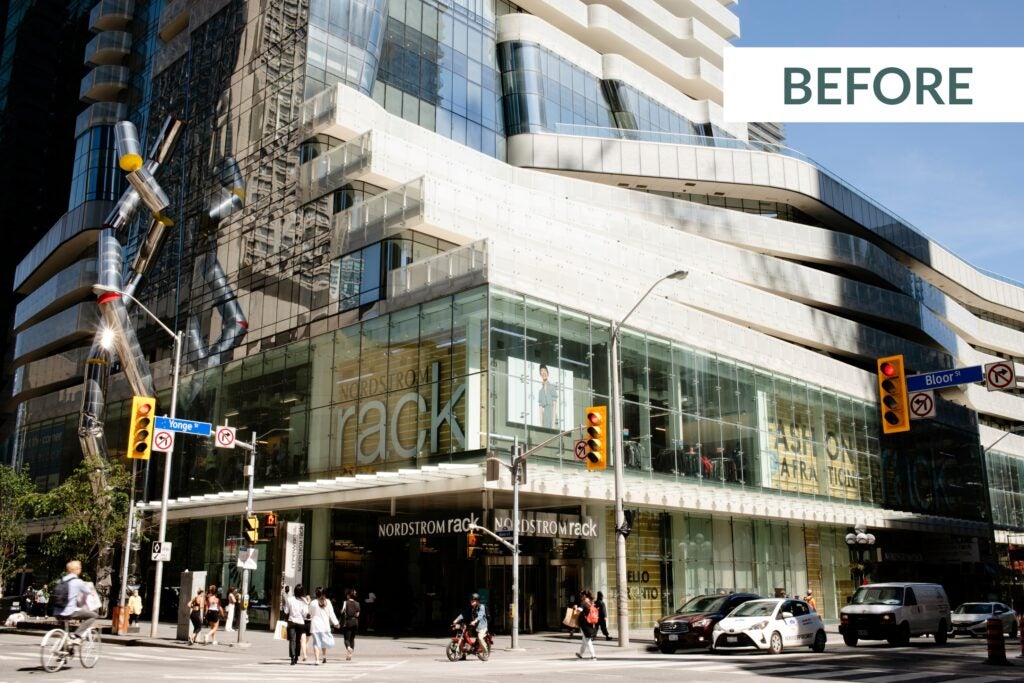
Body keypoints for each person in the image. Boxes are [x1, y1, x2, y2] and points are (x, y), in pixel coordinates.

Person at [55, 561, 98, 637]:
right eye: (80, 568)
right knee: (93, 615)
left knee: (65, 634)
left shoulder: (61, 580)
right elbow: (89, 592)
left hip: (57, 611)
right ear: (76, 570)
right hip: (69, 611)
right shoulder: (78, 581)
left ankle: (65, 644)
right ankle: (77, 635)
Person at [308, 587, 339, 665]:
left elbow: (309, 613)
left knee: (316, 643)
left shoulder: (313, 602)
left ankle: (317, 660)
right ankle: (324, 656)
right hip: (325, 626)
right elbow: (332, 613)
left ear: (316, 594)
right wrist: (336, 623)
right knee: (323, 642)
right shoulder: (327, 602)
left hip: (315, 626)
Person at [453, 593, 489, 657]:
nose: (472, 601)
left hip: (482, 627)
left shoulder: (481, 607)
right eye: (471, 600)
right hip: (473, 626)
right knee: (463, 636)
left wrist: (475, 621)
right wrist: (456, 619)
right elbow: (464, 614)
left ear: (477, 601)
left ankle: (485, 652)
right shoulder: (471, 608)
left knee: (480, 638)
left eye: (473, 600)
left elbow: (480, 615)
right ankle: (463, 655)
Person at [283, 584, 309, 665]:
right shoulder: (304, 601)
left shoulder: (290, 599)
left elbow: (286, 611)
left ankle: (292, 657)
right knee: (298, 640)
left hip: (291, 622)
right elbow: (305, 614)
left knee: (292, 640)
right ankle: (297, 657)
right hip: (300, 623)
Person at [575, 589, 597, 660]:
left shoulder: (584, 602)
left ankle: (593, 655)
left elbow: (579, 610)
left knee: (587, 639)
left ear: (584, 595)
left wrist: (575, 608)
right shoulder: (591, 602)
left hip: (584, 623)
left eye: (581, 595)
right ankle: (580, 654)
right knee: (584, 639)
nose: (581, 597)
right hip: (590, 622)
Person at [339, 588, 361, 661]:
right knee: (352, 638)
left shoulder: (345, 603)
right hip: (355, 622)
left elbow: (342, 612)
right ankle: (350, 655)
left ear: (348, 595)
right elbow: (357, 614)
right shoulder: (357, 603)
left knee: (346, 639)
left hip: (348, 622)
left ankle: (348, 648)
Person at [537, 364, 558, 429]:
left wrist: (553, 424)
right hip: (545, 415)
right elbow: (541, 410)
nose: (543, 373)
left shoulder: (552, 387)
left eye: (544, 371)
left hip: (552, 413)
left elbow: (554, 405)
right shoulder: (540, 391)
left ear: (548, 373)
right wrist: (541, 425)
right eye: (541, 372)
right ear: (540, 374)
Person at [301, 585, 313, 661]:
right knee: (307, 641)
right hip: (309, 623)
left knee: (302, 640)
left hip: (302, 622)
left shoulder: (302, 604)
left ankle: (304, 655)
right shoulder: (312, 605)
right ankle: (306, 654)